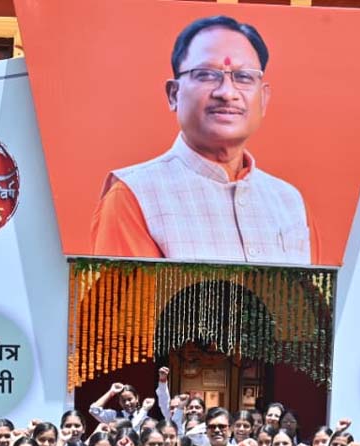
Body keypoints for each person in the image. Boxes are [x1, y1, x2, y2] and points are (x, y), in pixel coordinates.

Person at [90, 13, 318, 266]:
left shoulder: (289, 202)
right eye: (207, 74)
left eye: (243, 77)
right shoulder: (134, 196)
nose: (227, 93)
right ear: (173, 94)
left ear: (263, 99)